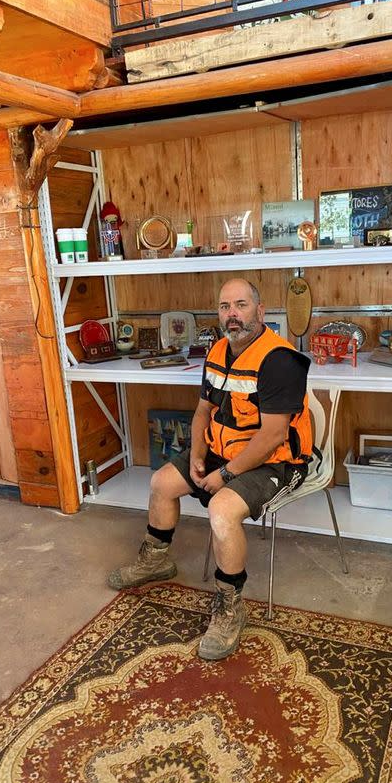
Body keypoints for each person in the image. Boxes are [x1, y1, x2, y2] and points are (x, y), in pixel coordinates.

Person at [108, 278, 314, 660]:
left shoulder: (280, 360)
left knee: (221, 510)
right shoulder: (218, 350)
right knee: (161, 482)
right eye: (224, 307)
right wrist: (199, 453)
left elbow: (271, 437)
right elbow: (204, 410)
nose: (232, 314)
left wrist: (225, 475)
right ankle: (156, 560)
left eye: (240, 305)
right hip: (223, 451)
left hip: (276, 462)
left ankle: (230, 604)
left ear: (261, 311)